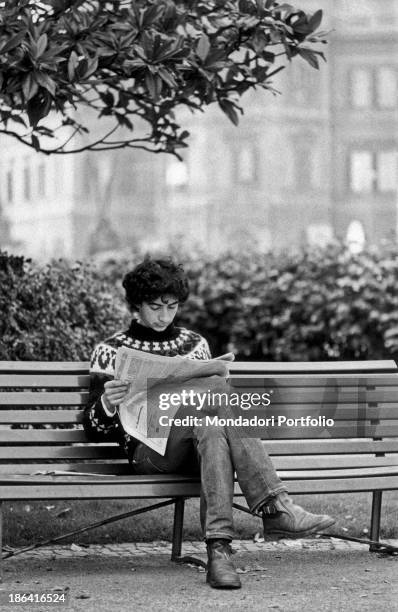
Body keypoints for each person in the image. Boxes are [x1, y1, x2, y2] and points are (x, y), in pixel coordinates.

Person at [83, 258, 335, 589]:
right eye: (155, 307)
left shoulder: (195, 345)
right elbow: (92, 428)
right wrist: (106, 403)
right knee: (218, 395)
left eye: (171, 307)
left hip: (200, 443)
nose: (164, 316)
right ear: (136, 305)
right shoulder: (111, 351)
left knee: (212, 424)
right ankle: (277, 507)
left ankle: (220, 554)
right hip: (150, 452)